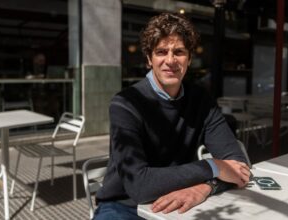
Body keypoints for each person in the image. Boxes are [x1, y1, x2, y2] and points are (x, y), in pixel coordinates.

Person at [94, 12, 251, 219]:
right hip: (124, 205)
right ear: (149, 59)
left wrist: (204, 188)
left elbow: (239, 166)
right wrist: (213, 166)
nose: (170, 60)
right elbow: (139, 186)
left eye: (179, 52)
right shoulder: (125, 104)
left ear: (189, 59)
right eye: (161, 52)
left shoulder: (201, 100)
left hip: (183, 200)